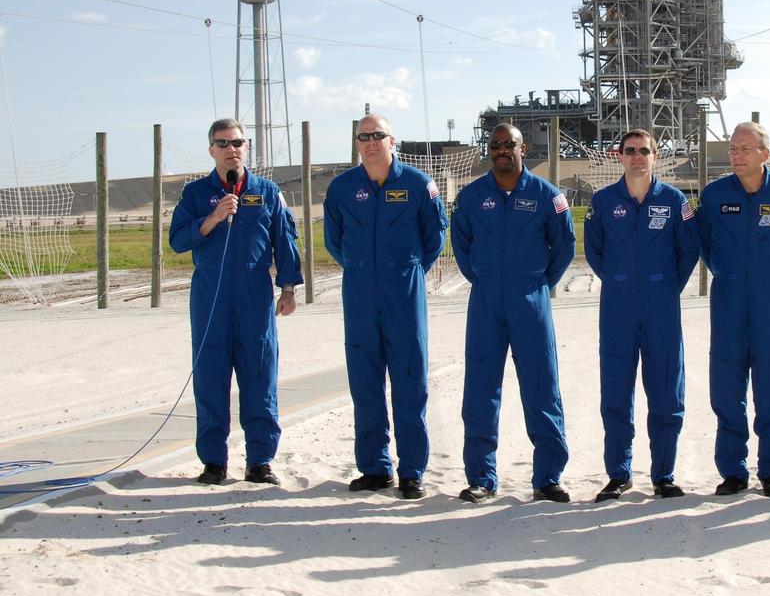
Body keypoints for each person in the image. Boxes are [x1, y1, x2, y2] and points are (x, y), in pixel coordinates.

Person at [169, 119, 302, 486]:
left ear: (247, 148)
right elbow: (177, 240)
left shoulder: (267, 191)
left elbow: (284, 241)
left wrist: (288, 288)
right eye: (223, 143)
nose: (232, 149)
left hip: (254, 298)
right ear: (211, 149)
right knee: (211, 378)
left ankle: (260, 461)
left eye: (238, 142)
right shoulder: (195, 194)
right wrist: (211, 218)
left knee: (260, 376)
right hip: (210, 296)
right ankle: (213, 461)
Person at [323, 114, 448, 500]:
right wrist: (365, 269)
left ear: (393, 140)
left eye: (378, 135)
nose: (371, 142)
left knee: (410, 380)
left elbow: (435, 236)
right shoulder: (342, 188)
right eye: (364, 136)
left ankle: (412, 470)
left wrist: (406, 270)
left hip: (403, 292)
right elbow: (334, 241)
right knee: (365, 382)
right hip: (359, 291)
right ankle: (375, 468)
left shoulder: (417, 184)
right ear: (357, 142)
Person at [451, 124, 576, 503]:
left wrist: (537, 282)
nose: (502, 150)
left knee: (542, 386)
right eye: (495, 145)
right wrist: (485, 278)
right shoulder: (471, 196)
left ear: (523, 148)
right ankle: (482, 478)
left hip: (530, 296)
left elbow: (564, 247)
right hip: (486, 298)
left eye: (509, 144)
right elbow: (461, 245)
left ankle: (548, 477)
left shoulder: (548, 196)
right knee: (481, 389)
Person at [695, 122, 770, 498]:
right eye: (733, 149)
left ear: (765, 153)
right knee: (727, 387)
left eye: (746, 149)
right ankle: (733, 470)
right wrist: (728, 274)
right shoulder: (714, 196)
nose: (737, 155)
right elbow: (704, 243)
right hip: (729, 298)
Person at [584, 129, 700, 502]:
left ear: (655, 156)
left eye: (644, 151)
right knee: (616, 391)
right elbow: (595, 252)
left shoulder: (674, 199)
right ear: (619, 156)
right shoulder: (603, 202)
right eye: (630, 151)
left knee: (666, 389)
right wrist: (621, 282)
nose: (637, 157)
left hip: (661, 306)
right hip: (617, 306)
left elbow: (688, 251)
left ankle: (663, 475)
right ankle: (619, 474)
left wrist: (664, 286)